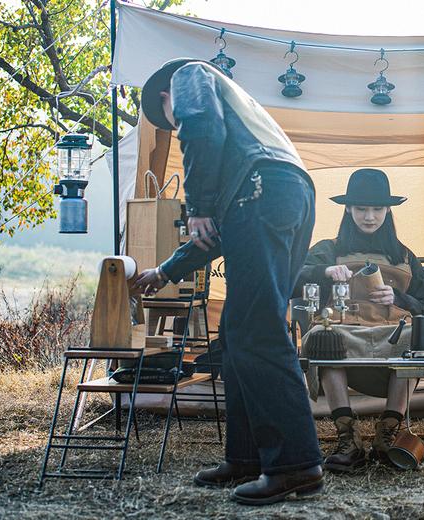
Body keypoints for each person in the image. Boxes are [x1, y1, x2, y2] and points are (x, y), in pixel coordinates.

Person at [134, 58, 323, 505]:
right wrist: (165, 271)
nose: (179, 128)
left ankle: (297, 466)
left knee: (257, 330)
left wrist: (195, 202)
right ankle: (247, 456)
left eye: (171, 121)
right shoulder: (241, 142)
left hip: (264, 192)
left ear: (166, 97)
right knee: (238, 332)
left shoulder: (190, 77)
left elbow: (198, 124)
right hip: (281, 193)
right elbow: (217, 229)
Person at [295, 168, 424, 473]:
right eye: (361, 208)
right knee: (322, 335)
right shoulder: (327, 250)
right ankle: (348, 438)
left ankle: (388, 433)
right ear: (348, 209)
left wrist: (398, 299)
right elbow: (292, 278)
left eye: (376, 209)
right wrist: (325, 273)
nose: (369, 216)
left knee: (418, 338)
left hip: (393, 338)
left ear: (388, 210)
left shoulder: (405, 257)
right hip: (344, 337)